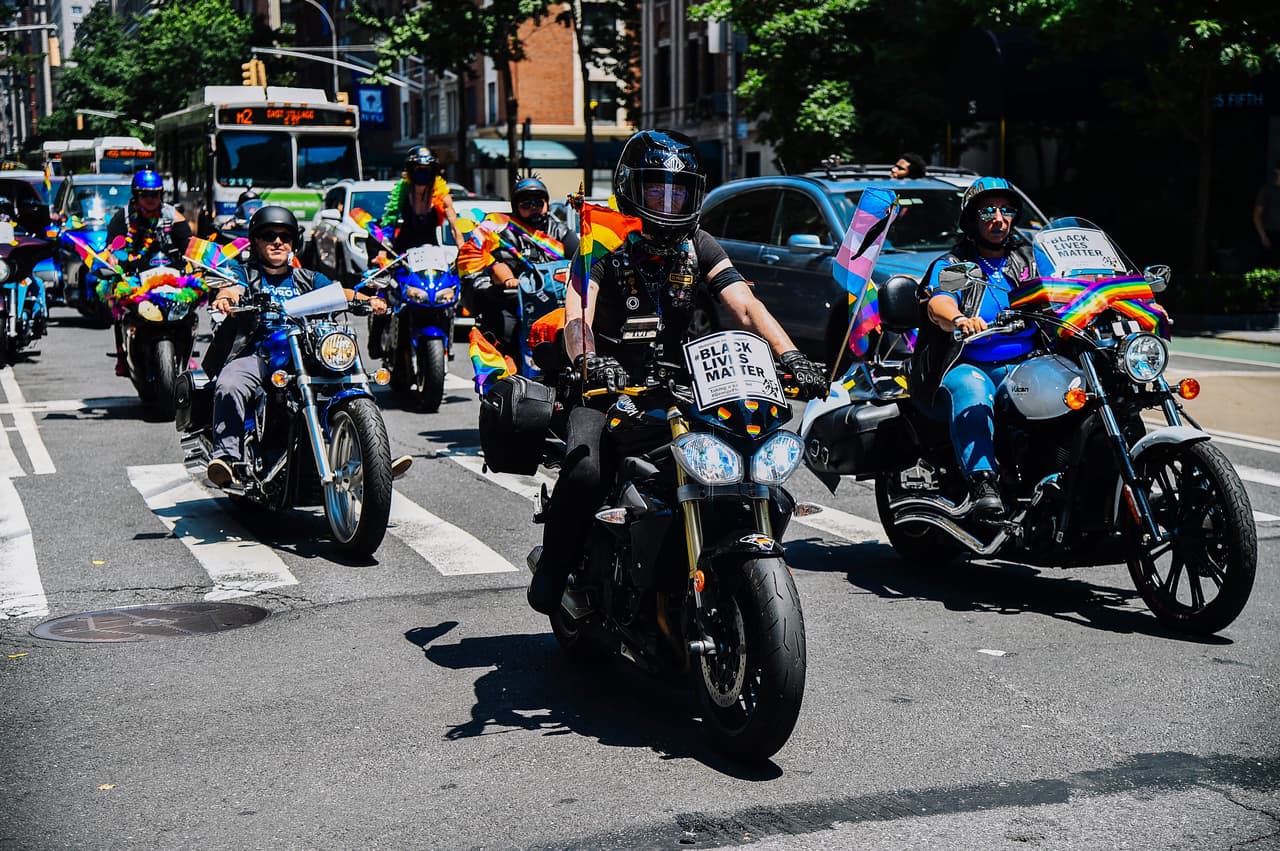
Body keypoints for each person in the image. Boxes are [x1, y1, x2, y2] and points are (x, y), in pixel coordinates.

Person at [526, 129, 827, 615]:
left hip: (680, 382)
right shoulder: (603, 240)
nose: (668, 202)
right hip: (607, 383)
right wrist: (588, 360)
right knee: (584, 469)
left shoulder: (699, 244)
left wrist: (790, 355)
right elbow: (577, 311)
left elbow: (745, 305)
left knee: (744, 443)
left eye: (679, 191)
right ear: (631, 187)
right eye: (656, 190)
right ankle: (555, 572)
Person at [204, 205, 387, 489]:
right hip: (259, 352)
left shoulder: (308, 279)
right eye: (269, 235)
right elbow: (231, 289)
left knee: (348, 378)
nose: (278, 242)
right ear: (256, 241)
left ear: (293, 243)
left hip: (306, 352)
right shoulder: (245, 273)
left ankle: (374, 459)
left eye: (285, 236)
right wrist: (226, 298)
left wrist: (366, 299)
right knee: (230, 384)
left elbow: (338, 293)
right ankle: (226, 457)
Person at [908, 176, 1037, 518]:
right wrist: (960, 319)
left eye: (1006, 210)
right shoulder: (958, 265)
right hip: (968, 362)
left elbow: (1070, 289)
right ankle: (983, 483)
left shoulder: (1029, 261)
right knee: (972, 388)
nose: (998, 218)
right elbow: (939, 303)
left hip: (1028, 361)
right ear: (970, 219)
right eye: (987, 211)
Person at [369, 147, 466, 356]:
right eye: (418, 169)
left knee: (446, 290)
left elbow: (456, 228)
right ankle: (375, 341)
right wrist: (382, 252)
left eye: (427, 169)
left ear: (434, 171)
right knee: (384, 291)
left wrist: (465, 252)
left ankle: (446, 343)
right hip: (401, 253)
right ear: (410, 171)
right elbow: (388, 225)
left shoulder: (442, 196)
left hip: (431, 254)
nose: (422, 173)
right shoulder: (402, 193)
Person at [471, 176, 579, 355]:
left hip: (557, 302)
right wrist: (509, 280)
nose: (533, 208)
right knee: (502, 333)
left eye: (538, 203)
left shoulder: (562, 232)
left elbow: (581, 259)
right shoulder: (506, 234)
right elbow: (498, 264)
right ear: (516, 208)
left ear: (547, 205)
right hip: (519, 304)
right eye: (526, 205)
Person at [105, 169, 193, 376]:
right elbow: (112, 249)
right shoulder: (123, 217)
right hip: (135, 274)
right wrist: (113, 262)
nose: (151, 199)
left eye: (155, 194)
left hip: (171, 274)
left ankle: (186, 356)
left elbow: (190, 246)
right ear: (136, 195)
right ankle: (121, 356)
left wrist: (197, 266)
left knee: (193, 303)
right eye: (145, 194)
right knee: (115, 302)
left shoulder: (173, 214)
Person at [1253, 159, 1280, 267]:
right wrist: (1263, 235)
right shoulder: (1267, 190)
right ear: (1277, 170)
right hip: (1271, 234)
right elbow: (1256, 215)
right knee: (1269, 267)